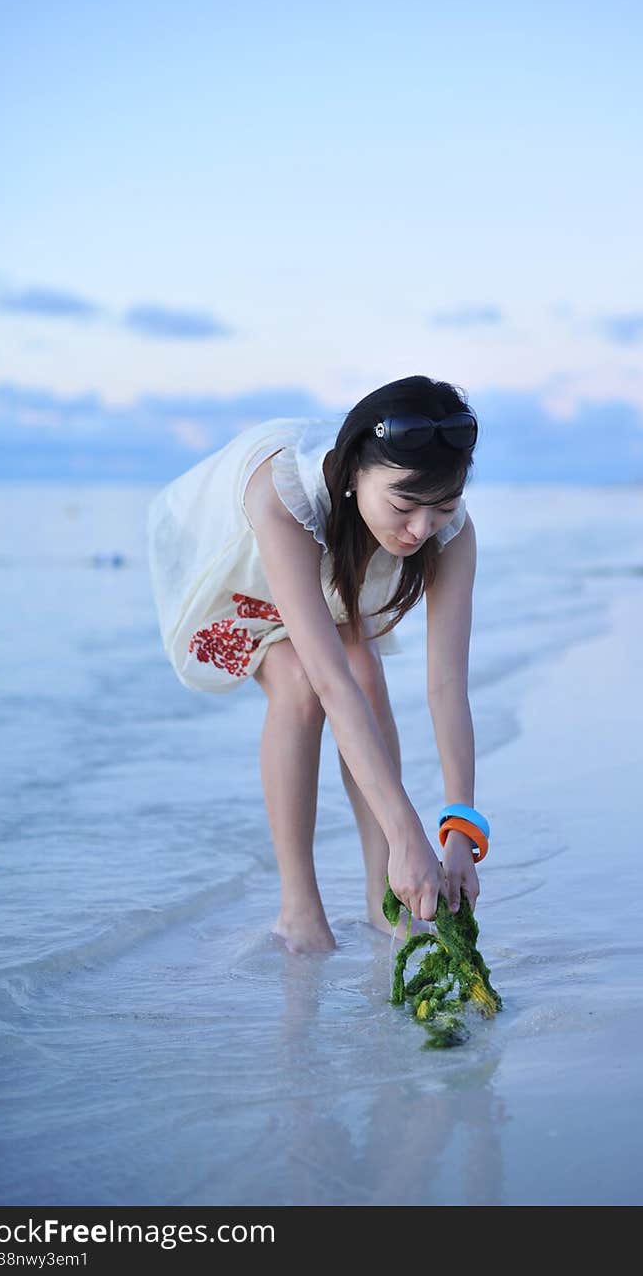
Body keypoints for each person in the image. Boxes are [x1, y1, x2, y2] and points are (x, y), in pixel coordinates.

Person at [146, 375, 486, 954]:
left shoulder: (446, 531)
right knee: (306, 681)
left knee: (369, 675)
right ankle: (298, 910)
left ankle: (388, 898)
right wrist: (407, 829)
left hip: (333, 568)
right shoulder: (285, 496)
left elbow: (448, 686)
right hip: (237, 576)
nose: (421, 530)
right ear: (356, 474)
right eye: (404, 506)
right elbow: (331, 682)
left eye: (443, 507)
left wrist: (458, 832)